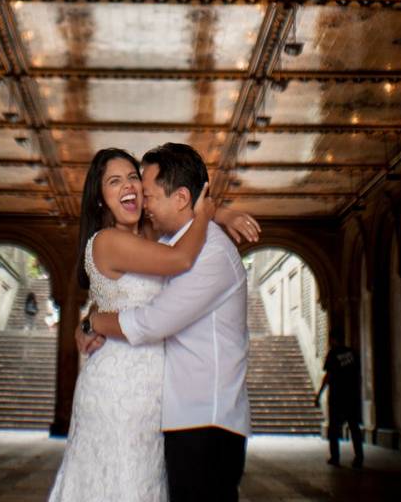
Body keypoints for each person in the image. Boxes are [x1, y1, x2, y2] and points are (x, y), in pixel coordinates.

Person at [48, 146, 259, 502]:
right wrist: (90, 322)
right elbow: (177, 255)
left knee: (144, 482)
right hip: (121, 385)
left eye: (135, 180)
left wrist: (217, 212)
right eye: (115, 181)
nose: (134, 191)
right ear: (99, 199)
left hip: (171, 398)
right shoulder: (113, 240)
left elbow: (153, 311)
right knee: (118, 479)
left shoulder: (160, 237)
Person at [315, 329, 364, 468]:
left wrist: (319, 395)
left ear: (334, 340)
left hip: (337, 396)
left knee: (334, 429)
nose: (329, 342)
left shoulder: (333, 354)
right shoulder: (353, 353)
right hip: (352, 396)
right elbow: (357, 374)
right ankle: (359, 457)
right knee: (354, 427)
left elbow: (328, 376)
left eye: (330, 339)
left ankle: (335, 457)